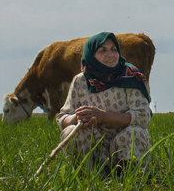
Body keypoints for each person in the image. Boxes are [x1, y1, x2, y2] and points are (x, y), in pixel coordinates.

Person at [56, 32, 152, 173]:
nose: (110, 54)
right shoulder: (80, 81)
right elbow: (62, 119)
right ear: (90, 55)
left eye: (114, 49)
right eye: (102, 50)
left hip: (121, 142)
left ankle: (128, 178)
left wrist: (104, 116)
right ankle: (89, 179)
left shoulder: (130, 76)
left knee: (135, 132)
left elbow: (143, 117)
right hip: (94, 143)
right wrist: (78, 118)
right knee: (71, 132)